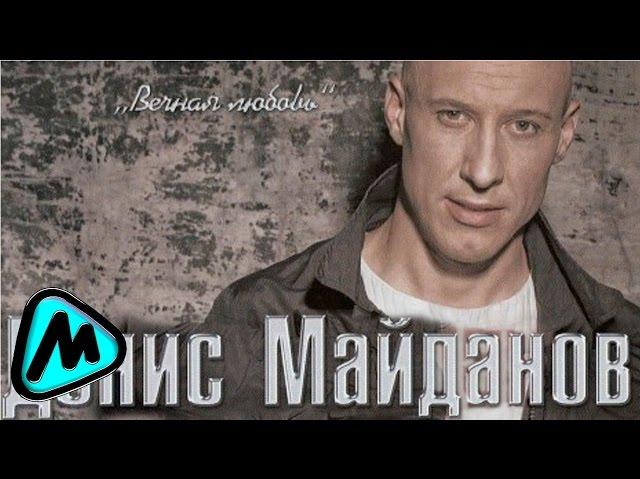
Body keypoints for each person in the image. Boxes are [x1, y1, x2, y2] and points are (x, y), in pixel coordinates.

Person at [169, 61, 640, 420]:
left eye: (524, 126)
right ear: (398, 112)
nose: (483, 171)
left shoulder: (624, 350)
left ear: (564, 134)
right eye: (453, 115)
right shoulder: (261, 323)